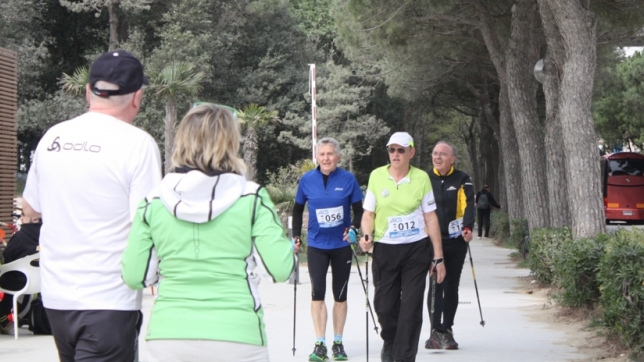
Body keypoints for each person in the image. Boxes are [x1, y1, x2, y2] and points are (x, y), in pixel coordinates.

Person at [122, 103, 295, 362]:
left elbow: (134, 276)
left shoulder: (153, 201)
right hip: (238, 333)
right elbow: (280, 269)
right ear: (231, 142)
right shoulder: (252, 197)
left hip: (170, 334)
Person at [21, 49, 162, 362]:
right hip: (109, 296)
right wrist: (152, 275)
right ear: (137, 97)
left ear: (88, 91)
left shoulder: (53, 138)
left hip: (57, 295)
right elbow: (147, 221)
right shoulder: (138, 144)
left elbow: (31, 208)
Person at [359, 132, 445, 362]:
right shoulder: (377, 176)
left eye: (401, 150)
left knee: (411, 306)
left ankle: (403, 356)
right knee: (385, 306)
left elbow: (431, 218)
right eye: (392, 150)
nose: (395, 154)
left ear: (411, 153)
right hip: (385, 249)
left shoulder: (421, 178)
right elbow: (368, 214)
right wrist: (366, 235)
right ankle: (390, 340)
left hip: (416, 249)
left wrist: (438, 257)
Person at [292, 138, 364, 362]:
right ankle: (320, 344)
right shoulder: (307, 180)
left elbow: (359, 211)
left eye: (330, 154)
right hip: (316, 246)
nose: (326, 158)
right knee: (318, 294)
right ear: (317, 156)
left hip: (341, 246)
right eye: (322, 154)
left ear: (338, 157)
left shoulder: (348, 179)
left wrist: (353, 228)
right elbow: (296, 210)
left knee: (340, 296)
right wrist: (296, 236)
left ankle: (338, 343)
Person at [424, 142, 475, 351]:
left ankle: (447, 328)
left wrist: (468, 227)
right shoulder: (425, 179)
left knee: (451, 284)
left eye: (442, 154)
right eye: (435, 153)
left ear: (452, 158)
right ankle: (435, 331)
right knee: (436, 282)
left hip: (455, 241)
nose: (438, 157)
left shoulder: (462, 179)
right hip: (431, 240)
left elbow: (469, 204)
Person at [0, 214, 46, 336]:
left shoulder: (20, 237)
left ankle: (2, 320)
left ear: (34, 218)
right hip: (41, 281)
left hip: (17, 282)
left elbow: (5, 258)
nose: (21, 219)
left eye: (23, 215)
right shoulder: (49, 235)